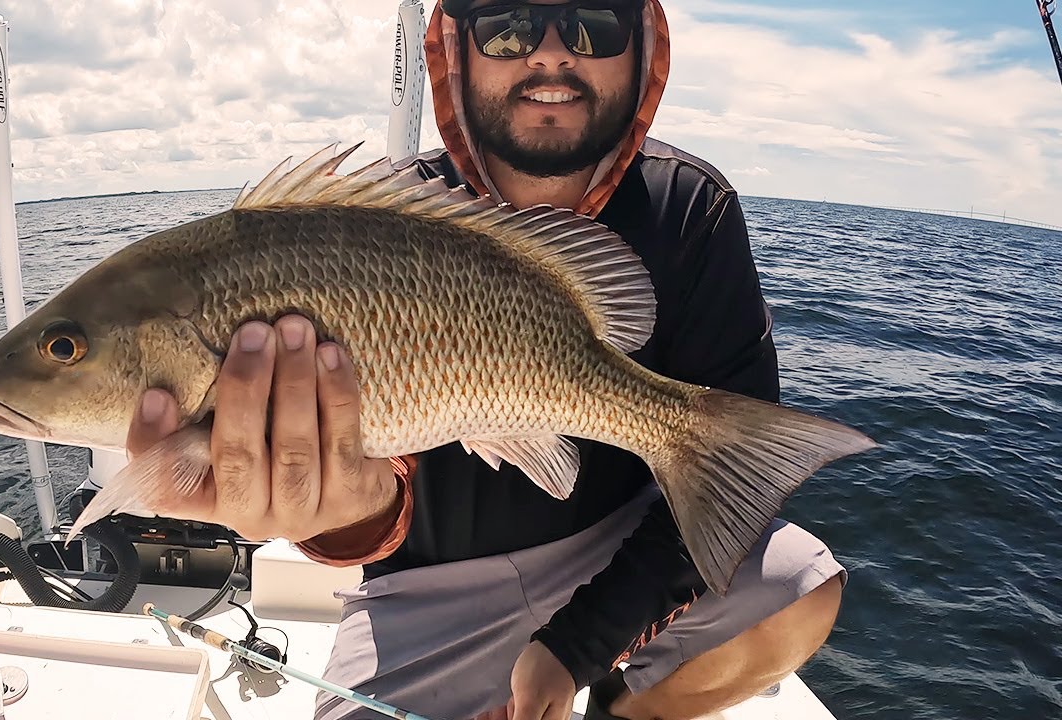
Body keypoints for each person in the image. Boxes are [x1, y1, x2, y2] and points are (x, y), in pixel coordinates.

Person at [125, 1, 847, 718]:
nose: (550, 53)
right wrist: (335, 511)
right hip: (426, 592)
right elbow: (374, 506)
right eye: (509, 23)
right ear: (456, 48)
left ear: (645, 48)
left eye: (596, 22)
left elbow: (724, 494)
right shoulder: (380, 221)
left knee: (796, 585)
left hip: (615, 545)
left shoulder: (692, 210)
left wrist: (573, 651)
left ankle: (622, 710)